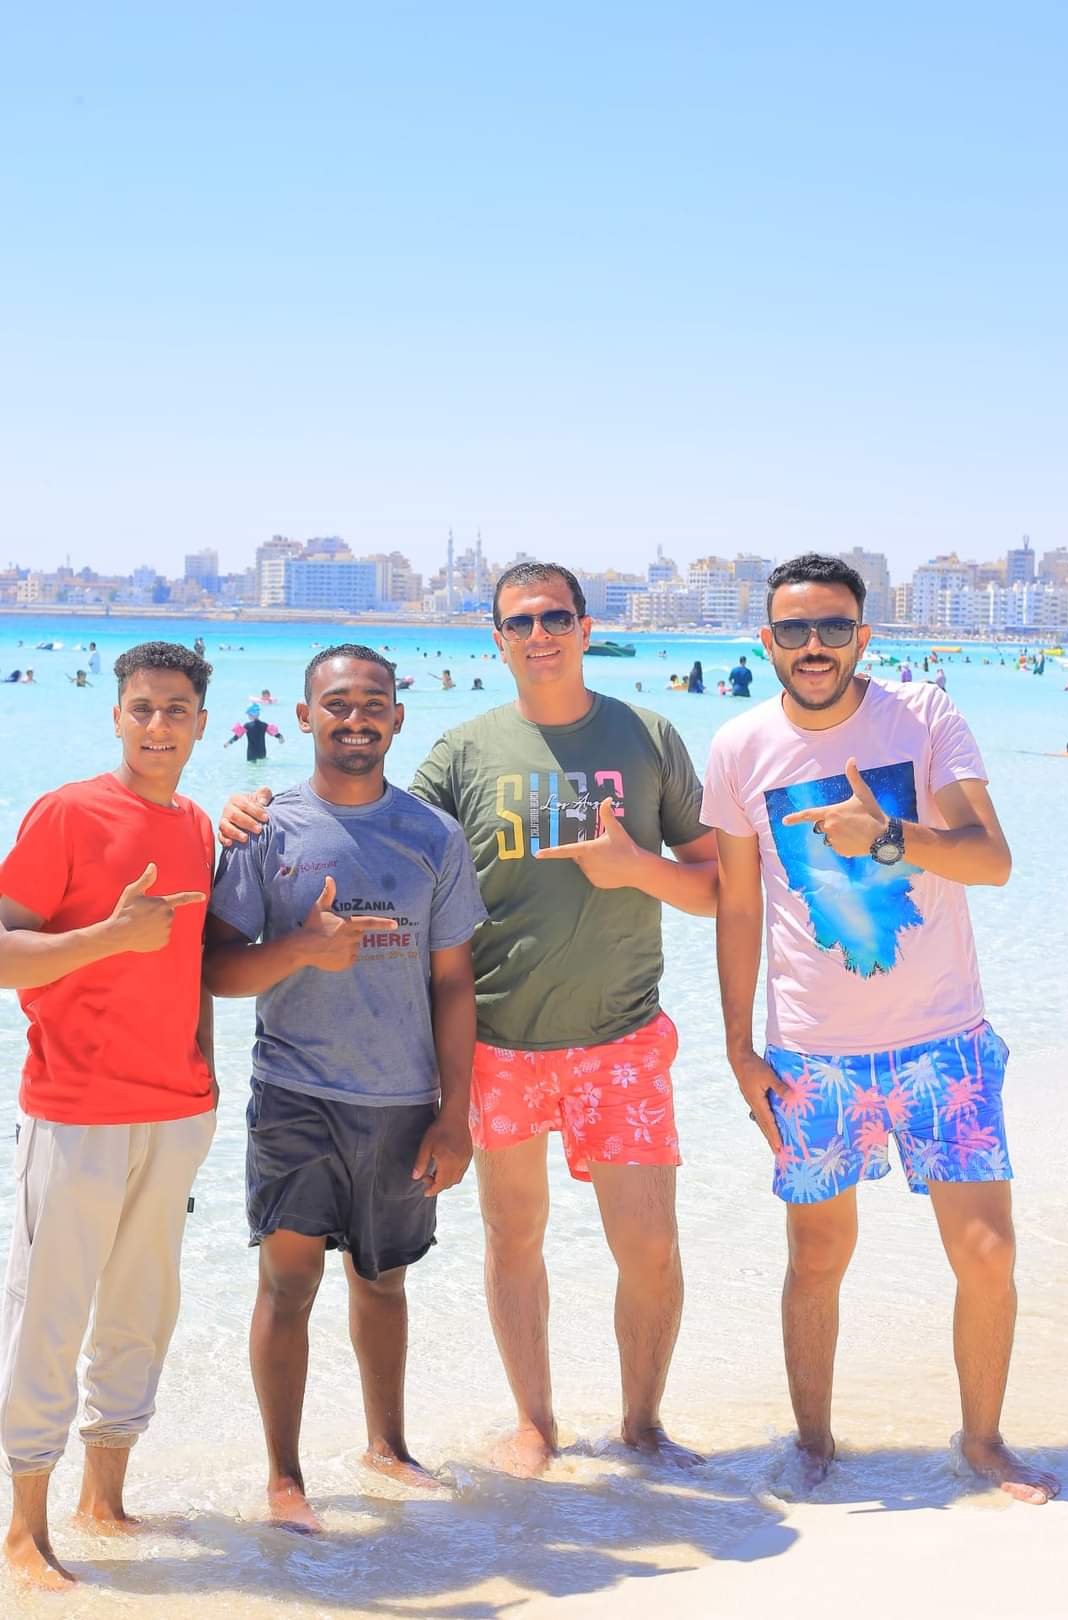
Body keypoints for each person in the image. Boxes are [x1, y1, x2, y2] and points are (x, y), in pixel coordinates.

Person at [219, 563, 719, 1479]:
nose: (539, 635)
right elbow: (375, 831)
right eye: (519, 622)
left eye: (556, 617)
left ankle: (643, 1426)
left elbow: (719, 885)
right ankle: (535, 1425)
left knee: (651, 1247)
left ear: (586, 626)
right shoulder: (462, 751)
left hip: (622, 1036)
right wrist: (248, 810)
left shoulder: (649, 735)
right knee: (512, 1236)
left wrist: (638, 870)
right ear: (496, 638)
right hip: (498, 1038)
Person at [704, 552, 1059, 1506]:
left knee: (987, 1252)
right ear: (767, 641)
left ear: (863, 636)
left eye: (833, 628)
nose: (813, 646)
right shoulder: (739, 746)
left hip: (944, 1040)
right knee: (816, 1257)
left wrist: (890, 837)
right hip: (812, 1052)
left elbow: (992, 861)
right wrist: (737, 1048)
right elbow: (738, 905)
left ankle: (982, 1444)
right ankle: (813, 1445)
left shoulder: (924, 716)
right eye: (794, 630)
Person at [204, 646, 484, 1532]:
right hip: (295, 1092)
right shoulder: (264, 830)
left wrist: (455, 1114)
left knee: (384, 1279)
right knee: (287, 1285)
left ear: (398, 717)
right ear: (303, 717)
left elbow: (454, 982)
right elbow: (217, 970)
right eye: (336, 704)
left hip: (403, 1100)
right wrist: (300, 950)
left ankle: (387, 1448)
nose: (355, 719)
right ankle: (284, 1479)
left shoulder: (435, 835)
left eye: (373, 704)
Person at [0, 642, 217, 1589]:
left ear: (202, 723)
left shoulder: (199, 825)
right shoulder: (66, 812)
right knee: (46, 1317)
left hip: (176, 1111)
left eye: (176, 710)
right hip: (76, 1110)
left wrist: (206, 1079)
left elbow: (195, 966)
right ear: (116, 715)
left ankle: (104, 1503)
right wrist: (110, 937)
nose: (158, 725)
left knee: (141, 1313)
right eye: (142, 708)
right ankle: (24, 1531)